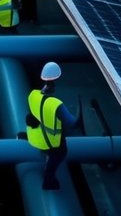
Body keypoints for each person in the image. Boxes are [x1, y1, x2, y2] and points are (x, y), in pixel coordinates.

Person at [25, 61, 79, 190]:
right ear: (55, 81)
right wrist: (80, 109)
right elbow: (73, 124)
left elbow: (31, 117)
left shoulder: (33, 95)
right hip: (51, 143)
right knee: (60, 154)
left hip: (35, 136)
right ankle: (48, 181)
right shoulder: (55, 104)